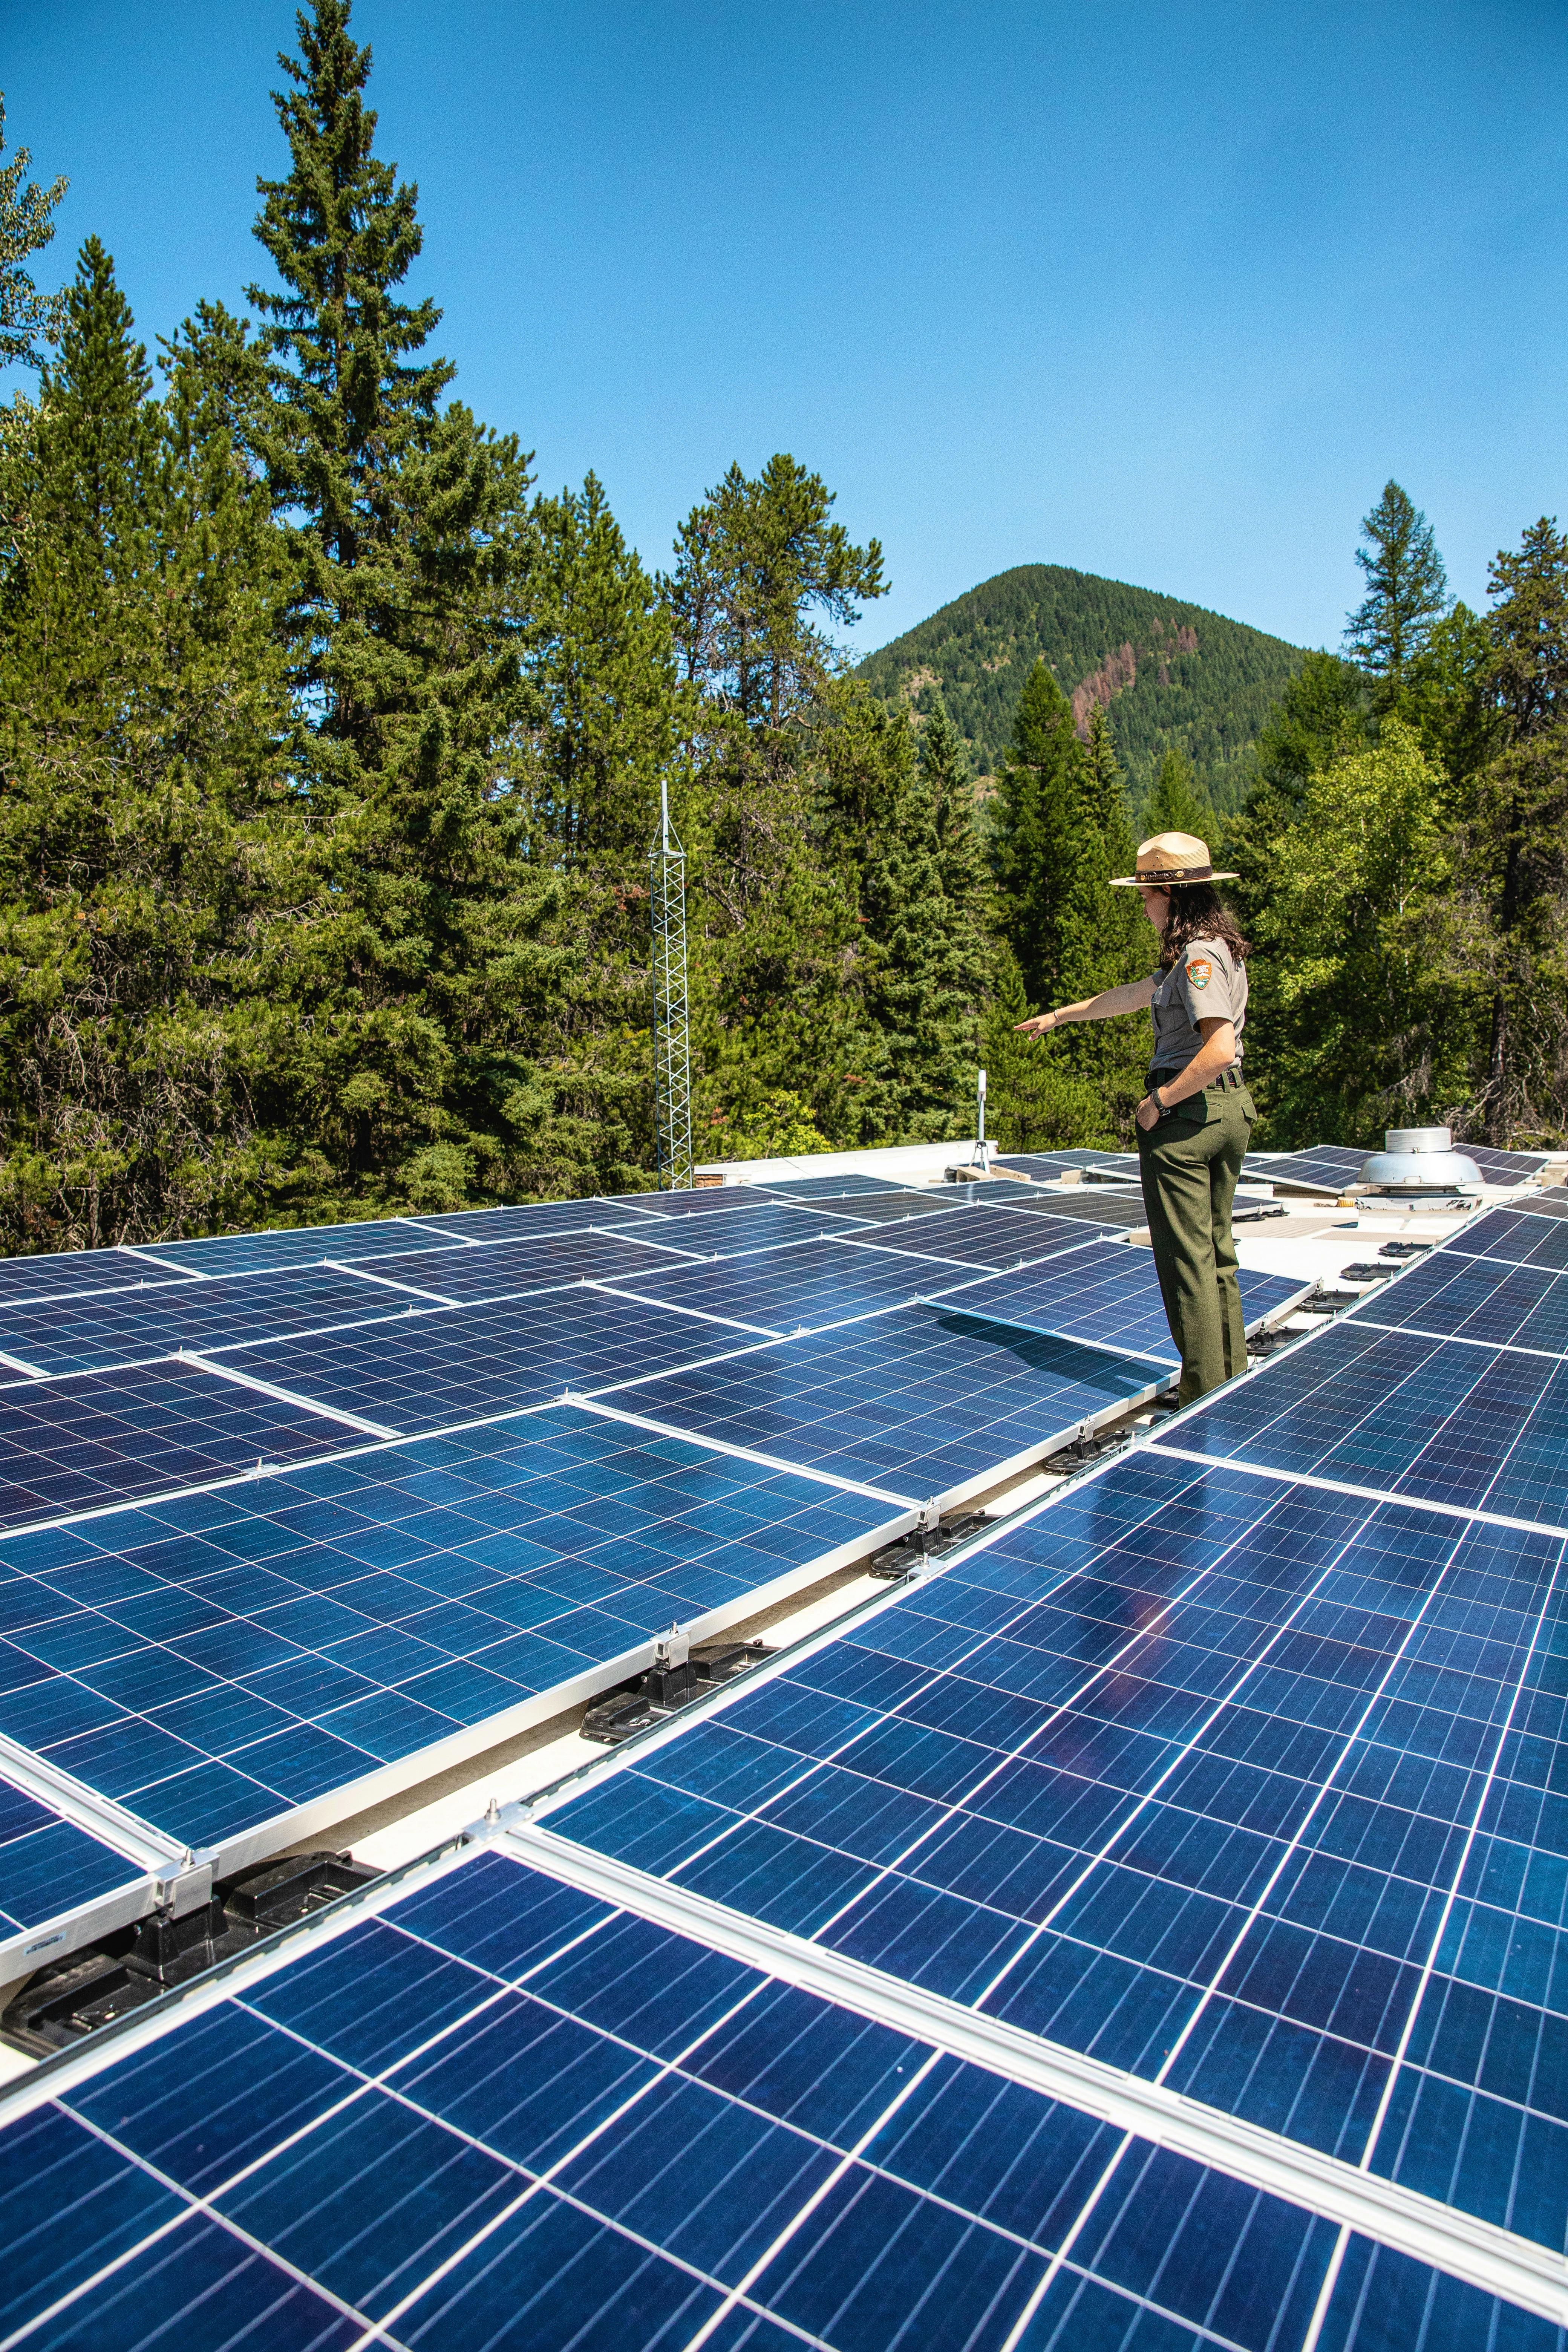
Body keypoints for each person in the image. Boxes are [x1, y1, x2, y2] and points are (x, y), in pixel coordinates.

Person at [1013, 830, 1255, 1404]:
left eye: (1146, 895)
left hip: (1188, 1118)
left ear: (1169, 894)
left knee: (1186, 1262)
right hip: (1227, 1111)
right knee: (1217, 1253)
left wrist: (1160, 1103)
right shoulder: (1213, 951)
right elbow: (1128, 996)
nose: (1143, 906)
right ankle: (1232, 1380)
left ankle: (1202, 1393)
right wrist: (1060, 1016)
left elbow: (1218, 1048)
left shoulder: (1195, 959)